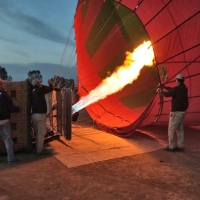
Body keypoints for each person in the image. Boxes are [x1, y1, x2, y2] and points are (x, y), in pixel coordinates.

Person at [157, 74, 188, 152]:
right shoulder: (184, 88)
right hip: (182, 112)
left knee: (171, 129)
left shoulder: (177, 89)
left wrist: (160, 91)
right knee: (180, 129)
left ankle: (170, 147)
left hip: (176, 113)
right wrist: (164, 87)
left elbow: (167, 94)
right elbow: (173, 90)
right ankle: (180, 146)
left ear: (177, 80)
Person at [31, 79, 56, 155]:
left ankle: (38, 148)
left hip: (34, 115)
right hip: (39, 115)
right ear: (37, 84)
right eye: (39, 82)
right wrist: (50, 84)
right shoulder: (39, 90)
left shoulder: (32, 91)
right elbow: (50, 89)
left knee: (38, 133)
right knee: (41, 133)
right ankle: (40, 150)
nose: (41, 83)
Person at [0, 78, 21, 164]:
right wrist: (19, 109)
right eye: (3, 84)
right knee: (7, 140)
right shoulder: (5, 95)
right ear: (0, 85)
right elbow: (11, 108)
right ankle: (11, 159)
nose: (4, 85)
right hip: (4, 120)